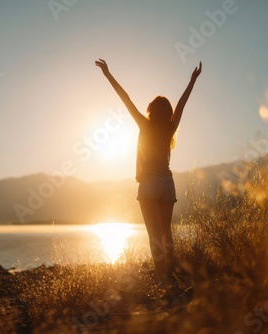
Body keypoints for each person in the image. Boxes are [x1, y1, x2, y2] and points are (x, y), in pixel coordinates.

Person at [95, 58, 202, 280]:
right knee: (166, 232)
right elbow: (183, 103)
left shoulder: (145, 125)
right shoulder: (171, 128)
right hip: (168, 184)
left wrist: (108, 74)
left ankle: (161, 277)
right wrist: (192, 80)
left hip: (150, 184)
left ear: (151, 111)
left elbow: (125, 99)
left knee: (154, 235)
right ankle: (170, 272)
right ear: (168, 112)